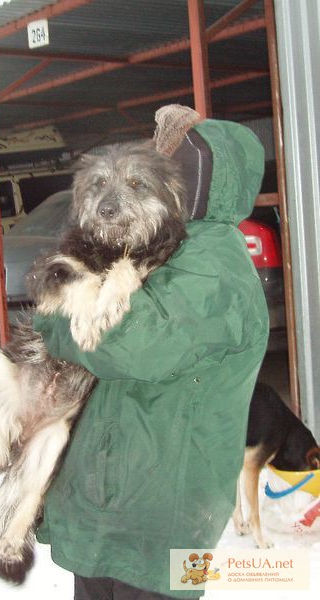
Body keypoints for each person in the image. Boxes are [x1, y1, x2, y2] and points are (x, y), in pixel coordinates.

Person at [32, 110, 269, 599]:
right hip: (114, 499)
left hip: (165, 515)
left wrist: (57, 318)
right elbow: (61, 308)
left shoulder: (214, 264)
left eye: (175, 169)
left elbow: (125, 346)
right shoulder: (167, 246)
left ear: (207, 179)